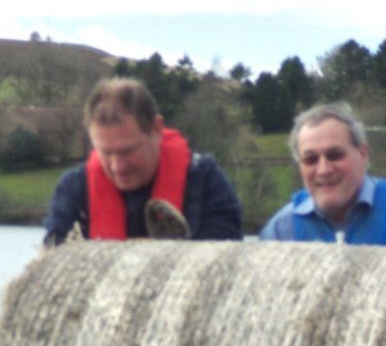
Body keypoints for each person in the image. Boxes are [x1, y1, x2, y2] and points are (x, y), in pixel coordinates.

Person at [42, 78, 243, 245]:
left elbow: (225, 264)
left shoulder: (206, 180)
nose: (117, 166)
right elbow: (55, 265)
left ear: (156, 130)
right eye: (105, 153)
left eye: (127, 151)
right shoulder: (73, 190)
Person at [259, 103, 386, 248]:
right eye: (311, 159)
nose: (323, 170)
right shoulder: (281, 228)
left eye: (335, 155)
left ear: (362, 153)